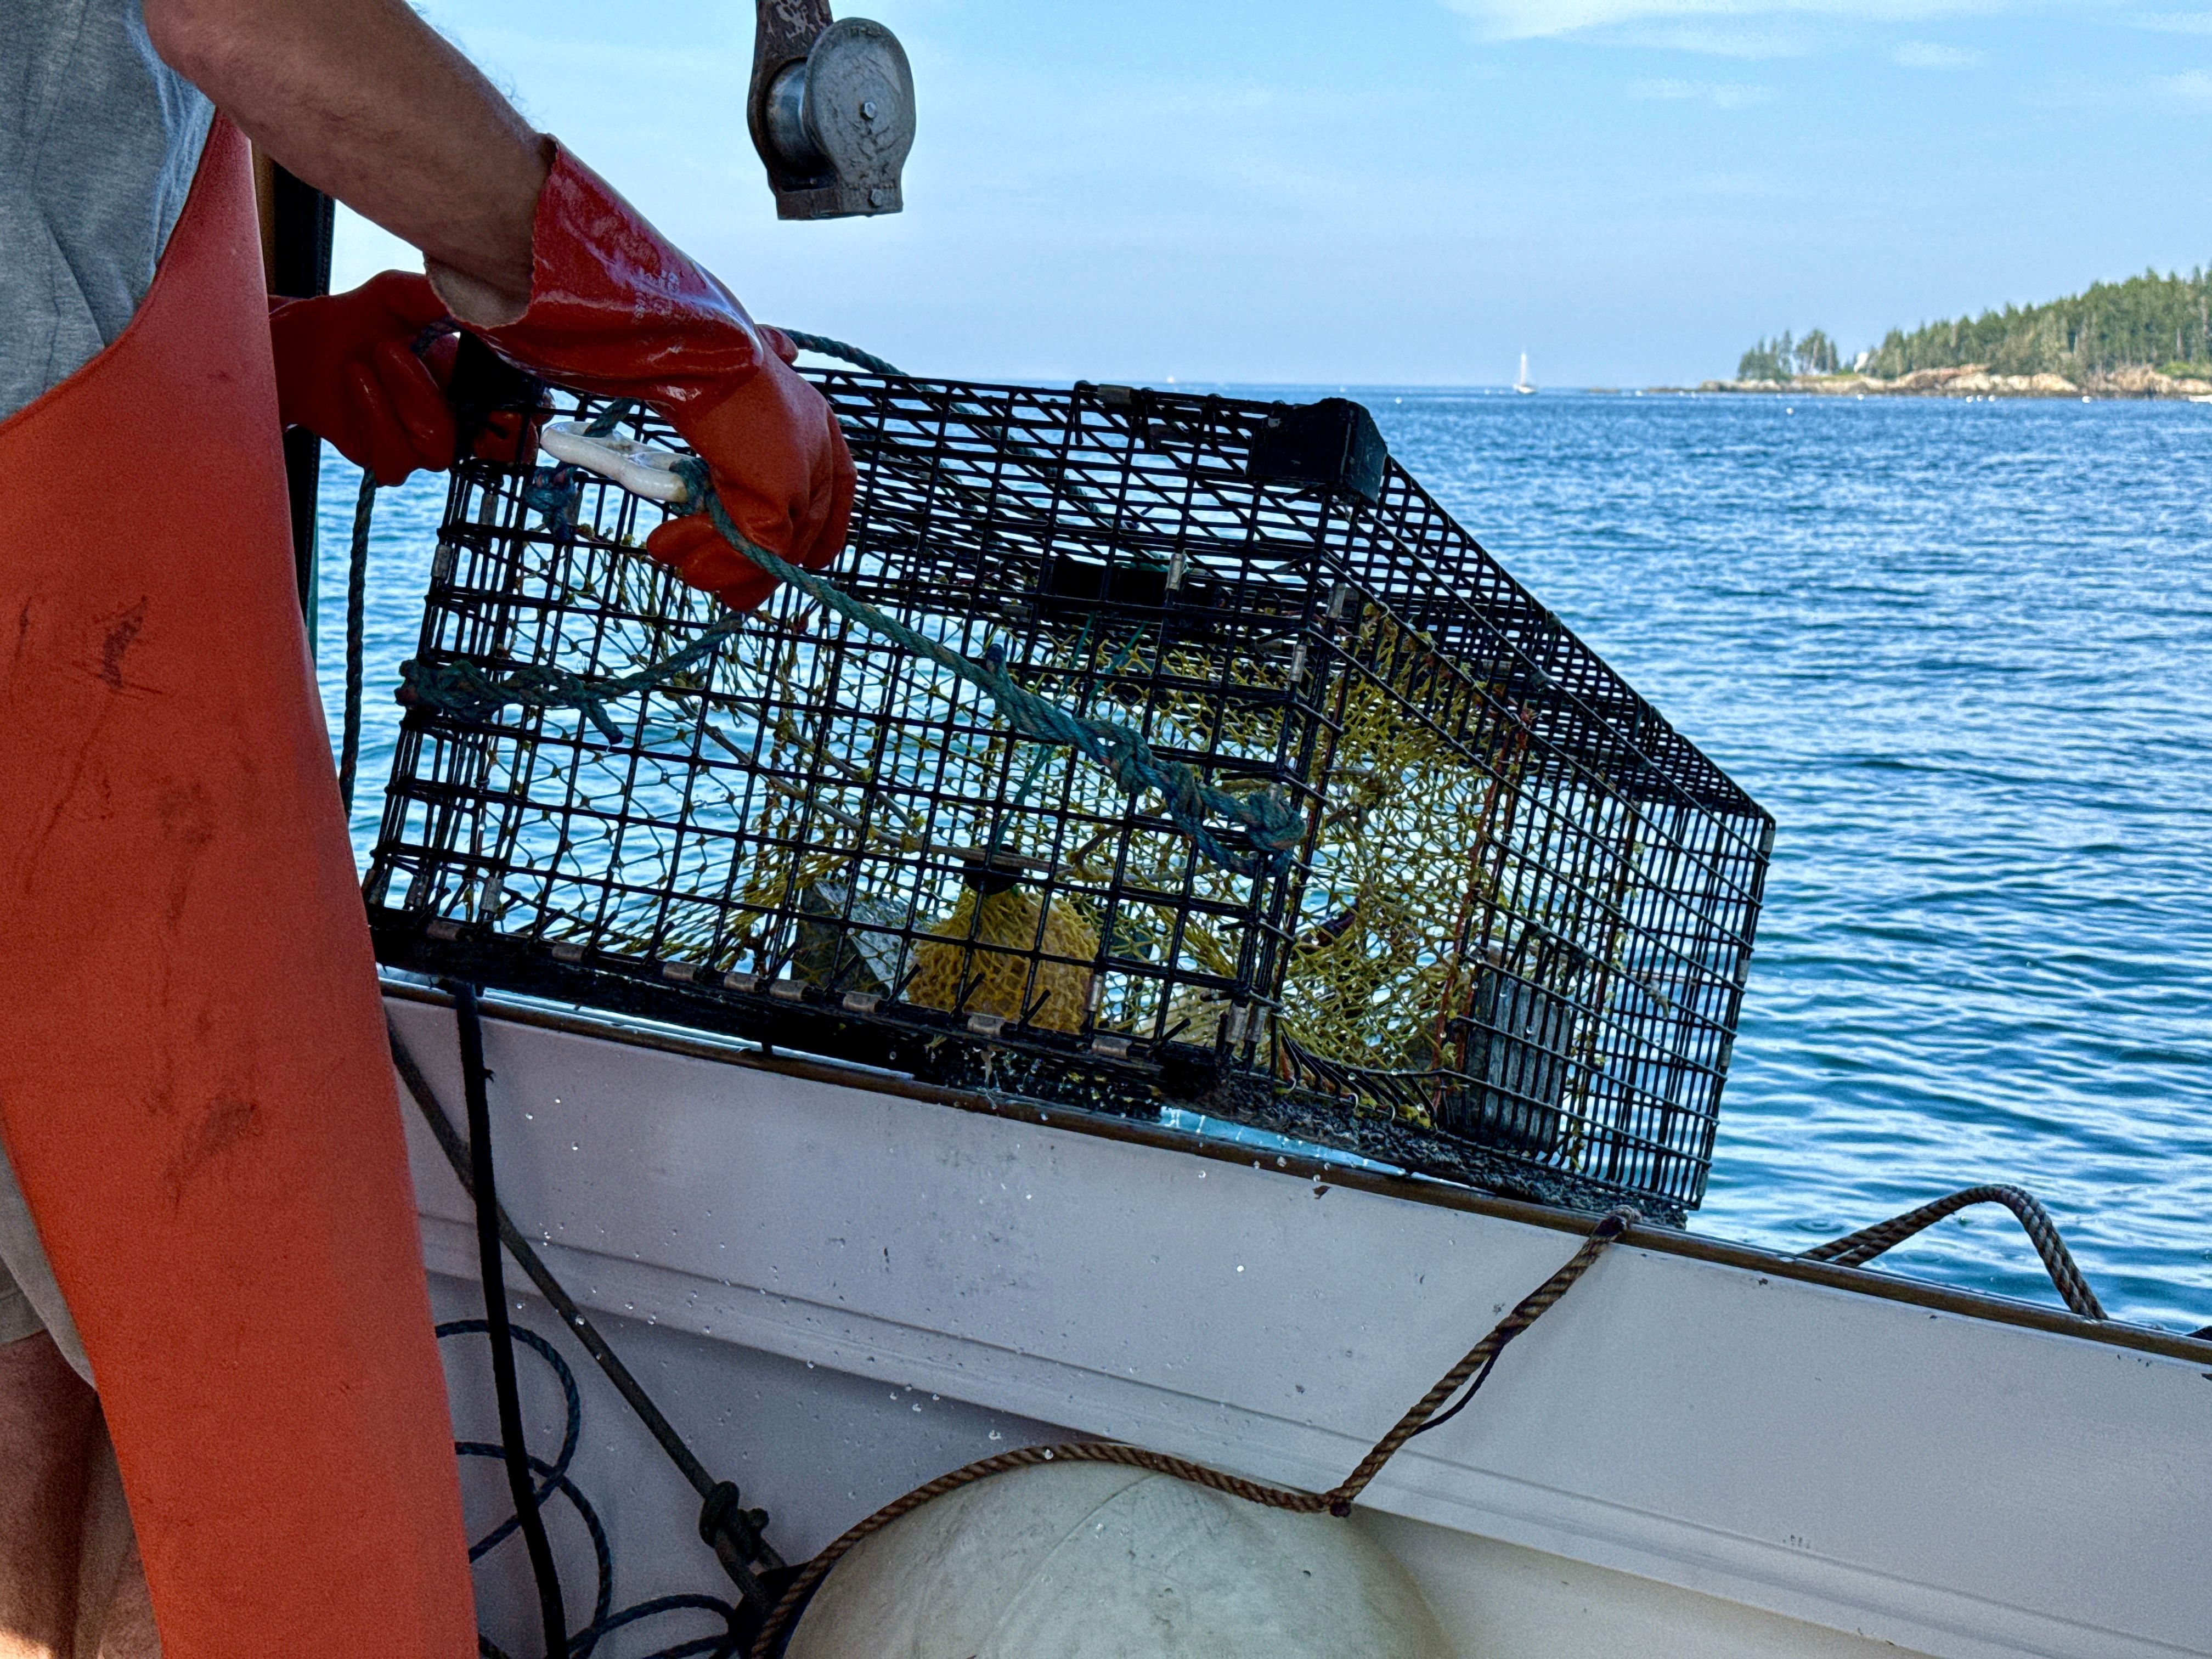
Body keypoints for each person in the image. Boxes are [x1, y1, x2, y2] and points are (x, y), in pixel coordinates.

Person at [0, 0, 853, 1653]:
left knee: (32, 1364)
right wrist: (673, 325)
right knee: (273, 1502)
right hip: (57, 704)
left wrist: (270, 348)